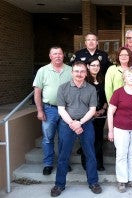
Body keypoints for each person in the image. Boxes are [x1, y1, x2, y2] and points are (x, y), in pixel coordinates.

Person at [50, 61, 101, 197]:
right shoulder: (63, 88)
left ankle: (93, 182)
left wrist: (80, 122)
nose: (79, 74)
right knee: (63, 156)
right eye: (76, 71)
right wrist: (73, 123)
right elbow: (61, 109)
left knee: (90, 154)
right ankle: (59, 184)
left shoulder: (91, 89)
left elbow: (92, 110)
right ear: (72, 73)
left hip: (86, 124)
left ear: (86, 73)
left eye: (82, 71)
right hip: (67, 124)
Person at [107, 67, 132, 193]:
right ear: (124, 78)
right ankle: (122, 180)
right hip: (120, 128)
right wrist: (110, 130)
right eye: (129, 76)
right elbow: (110, 112)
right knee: (121, 154)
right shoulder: (118, 93)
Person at [33, 46, 72, 175]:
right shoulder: (43, 71)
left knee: (64, 138)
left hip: (66, 110)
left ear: (63, 55)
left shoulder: (70, 70)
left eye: (60, 53)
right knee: (48, 138)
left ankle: (63, 163)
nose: (57, 56)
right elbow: (37, 92)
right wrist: (40, 110)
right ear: (50, 56)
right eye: (54, 54)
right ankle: (48, 163)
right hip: (49, 109)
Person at [79, 56, 107, 171]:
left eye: (97, 65)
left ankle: (99, 163)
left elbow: (106, 97)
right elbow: (80, 99)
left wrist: (103, 109)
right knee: (88, 139)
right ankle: (86, 163)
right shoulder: (84, 81)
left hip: (101, 114)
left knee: (99, 139)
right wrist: (92, 112)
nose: (95, 67)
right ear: (88, 66)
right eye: (93, 65)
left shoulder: (102, 79)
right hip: (87, 115)